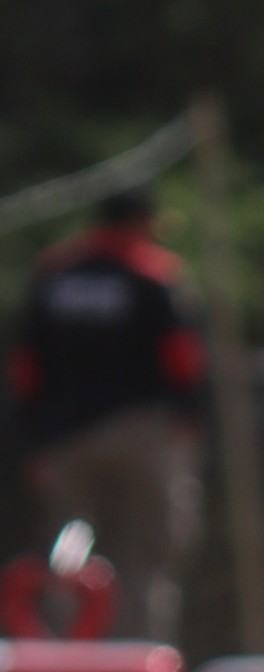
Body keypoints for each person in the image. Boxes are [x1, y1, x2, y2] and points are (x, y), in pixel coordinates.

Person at [8, 186, 207, 642]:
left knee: (68, 551)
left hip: (64, 439)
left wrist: (33, 439)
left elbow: (25, 367)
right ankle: (142, 657)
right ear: (140, 222)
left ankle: (63, 659)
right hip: (144, 432)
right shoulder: (153, 273)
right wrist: (191, 419)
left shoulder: (55, 273)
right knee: (146, 554)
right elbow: (182, 357)